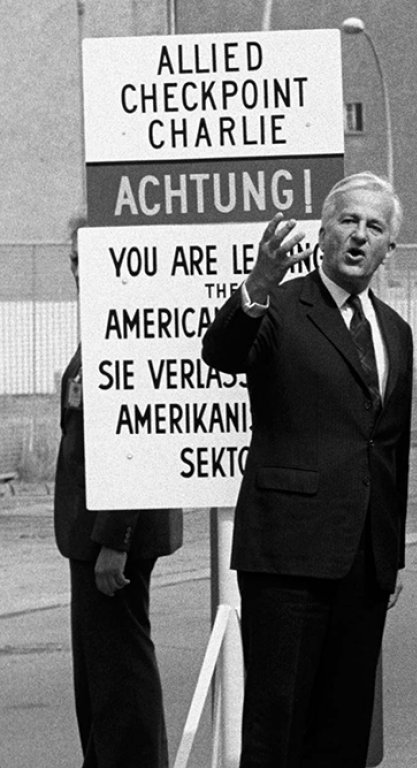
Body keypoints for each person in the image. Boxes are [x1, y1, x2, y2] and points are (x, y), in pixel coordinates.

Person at [201, 172, 412, 767]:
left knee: (344, 733)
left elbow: (387, 449)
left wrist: (388, 553)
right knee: (278, 728)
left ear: (388, 249)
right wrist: (258, 284)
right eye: (348, 221)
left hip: (365, 564)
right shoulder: (282, 307)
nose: (358, 236)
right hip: (287, 556)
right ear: (322, 233)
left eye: (374, 227)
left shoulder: (393, 329)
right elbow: (221, 353)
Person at [55, 216, 183, 768]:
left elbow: (137, 438)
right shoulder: (100, 321)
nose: (83, 273)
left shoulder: (128, 325)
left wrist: (116, 539)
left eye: (92, 259)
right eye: (76, 261)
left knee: (120, 675)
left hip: (114, 536)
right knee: (100, 677)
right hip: (90, 534)